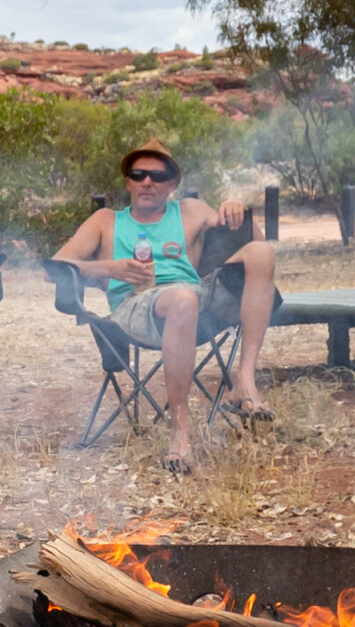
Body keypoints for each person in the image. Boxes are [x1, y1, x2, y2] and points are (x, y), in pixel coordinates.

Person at [51, 140, 278, 470]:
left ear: (172, 184)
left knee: (263, 254)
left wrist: (236, 210)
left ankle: (244, 381)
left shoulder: (190, 210)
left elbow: (253, 242)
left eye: (157, 176)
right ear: (127, 181)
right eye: (139, 174)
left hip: (194, 297)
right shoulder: (105, 221)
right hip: (134, 306)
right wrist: (109, 268)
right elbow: (54, 267)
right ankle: (180, 433)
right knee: (182, 301)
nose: (147, 182)